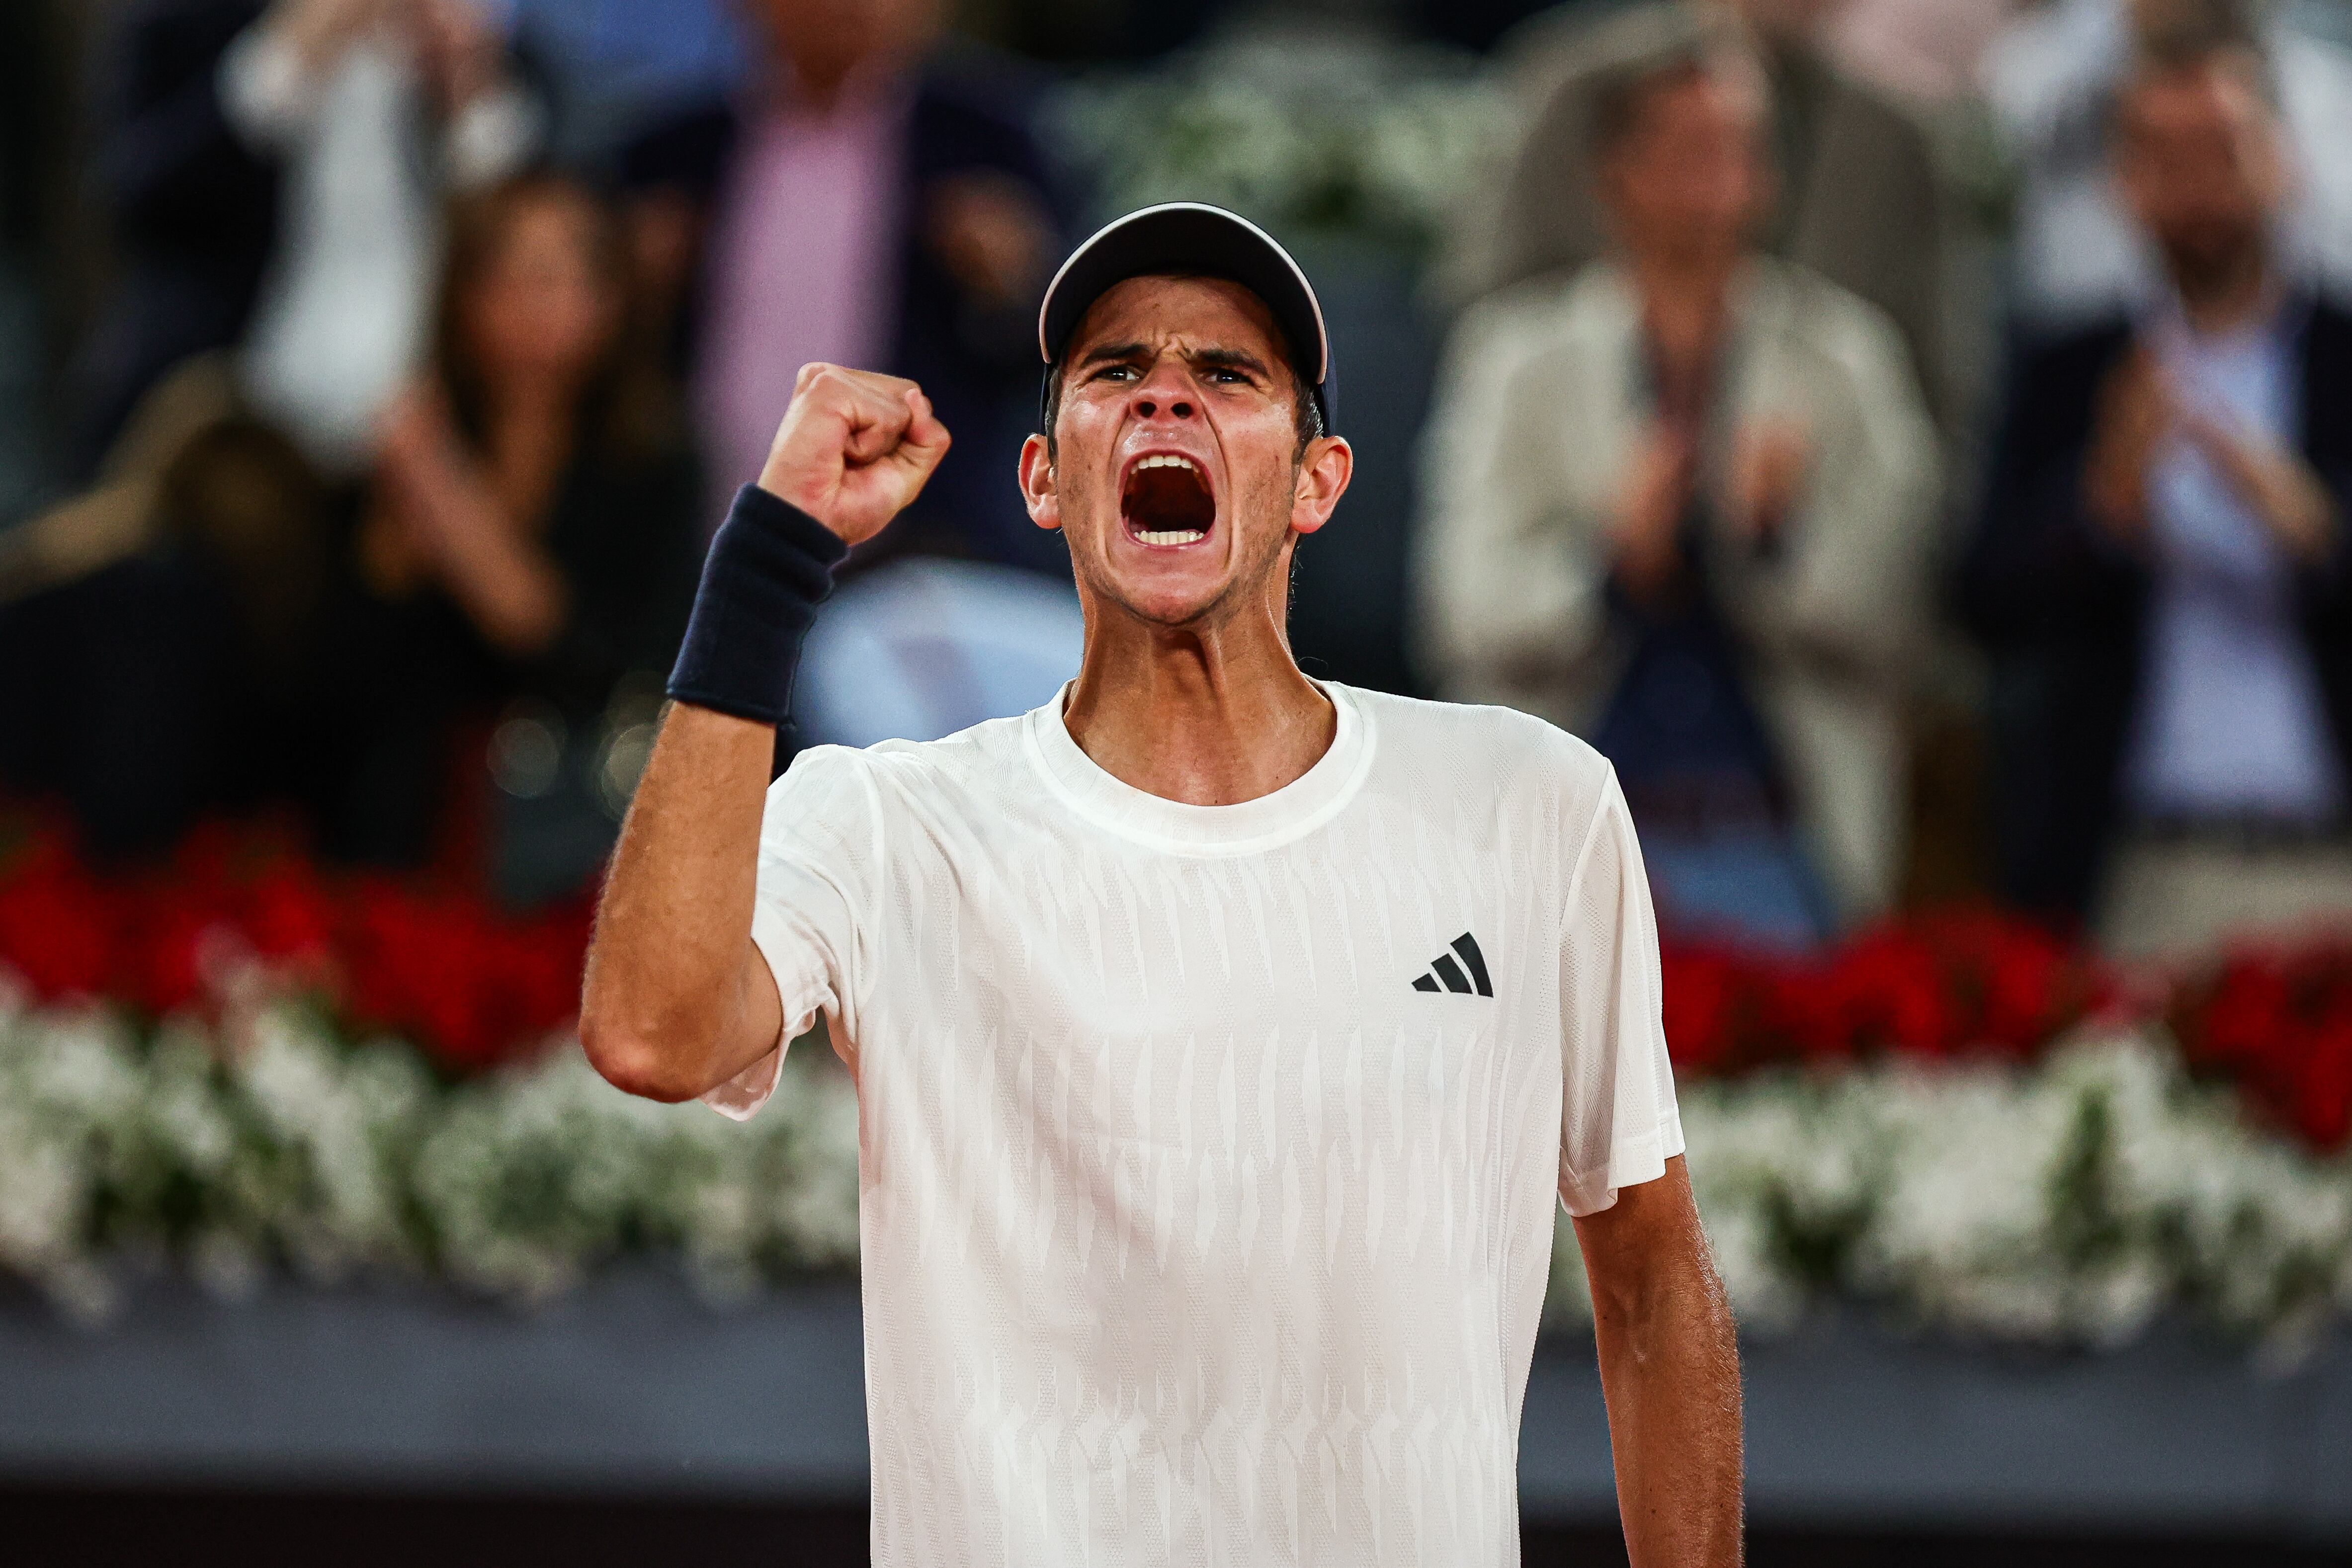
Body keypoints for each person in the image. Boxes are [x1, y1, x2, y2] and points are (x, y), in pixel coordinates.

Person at [579, 203, 1742, 1564]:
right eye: (1115, 373)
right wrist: (772, 554)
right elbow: (651, 1032)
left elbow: (1654, 1283)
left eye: (1228, 374)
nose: (1166, 395)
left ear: (1316, 483)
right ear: (1043, 478)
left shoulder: (1527, 804)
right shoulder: (887, 821)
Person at [1421, 44, 1940, 944]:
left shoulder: (1846, 359)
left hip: (1783, 833)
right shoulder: (1517, 361)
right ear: (1612, 175)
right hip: (1574, 831)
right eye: (1683, 149)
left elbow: (1890, 617)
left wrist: (1772, 539)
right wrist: (1611, 565)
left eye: (1737, 147)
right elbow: (1466, 612)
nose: (1715, 178)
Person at [1962, 36, 2352, 954]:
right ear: (2122, 183)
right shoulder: (2071, 372)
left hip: (2331, 860)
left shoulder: (2342, 357)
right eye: (2163, 155)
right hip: (2140, 868)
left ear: (2281, 159)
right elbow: (1980, 599)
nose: (2196, 187)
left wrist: (2318, 531)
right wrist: (2098, 512)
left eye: (2220, 148)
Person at [319, 172, 700, 884]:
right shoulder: (424, 434)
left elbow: (576, 655)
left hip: (578, 834)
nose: (535, 300)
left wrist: (445, 496)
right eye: (511, 272)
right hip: (414, 828)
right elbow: (354, 660)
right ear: (461, 294)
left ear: (612, 293)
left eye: (560, 272)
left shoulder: (654, 461)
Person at [616, 0, 1063, 575]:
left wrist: (1009, 287)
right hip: (688, 544)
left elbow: (1056, 356)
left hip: (917, 559)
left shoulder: (988, 142)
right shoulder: (670, 153)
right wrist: (638, 292)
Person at [1455, 0, 1958, 429]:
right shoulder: (1577, 92)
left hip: (1820, 502)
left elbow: (1939, 393)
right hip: (1583, 481)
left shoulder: (1890, 143)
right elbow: (1490, 308)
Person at [1987, 0, 2352, 328]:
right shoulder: (2056, 81)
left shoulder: (2323, 98)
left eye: (2222, 159)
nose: (2199, 194)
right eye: (2173, 165)